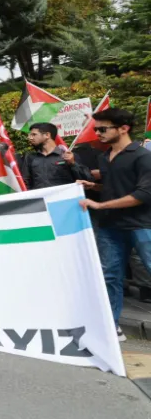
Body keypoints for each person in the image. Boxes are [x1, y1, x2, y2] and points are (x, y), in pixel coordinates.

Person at [78, 108, 151, 341]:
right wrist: (94, 188)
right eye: (95, 128)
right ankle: (112, 325)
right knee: (110, 275)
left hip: (142, 225)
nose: (97, 133)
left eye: (102, 129)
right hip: (110, 227)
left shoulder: (143, 156)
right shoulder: (104, 157)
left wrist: (101, 205)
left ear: (123, 129)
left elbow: (143, 194)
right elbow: (115, 186)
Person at [21, 122, 91, 190]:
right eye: (30, 135)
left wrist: (73, 164)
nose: (29, 138)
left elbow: (87, 179)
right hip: (40, 200)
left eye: (34, 134)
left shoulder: (69, 155)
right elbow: (25, 183)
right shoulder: (30, 157)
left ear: (47, 135)